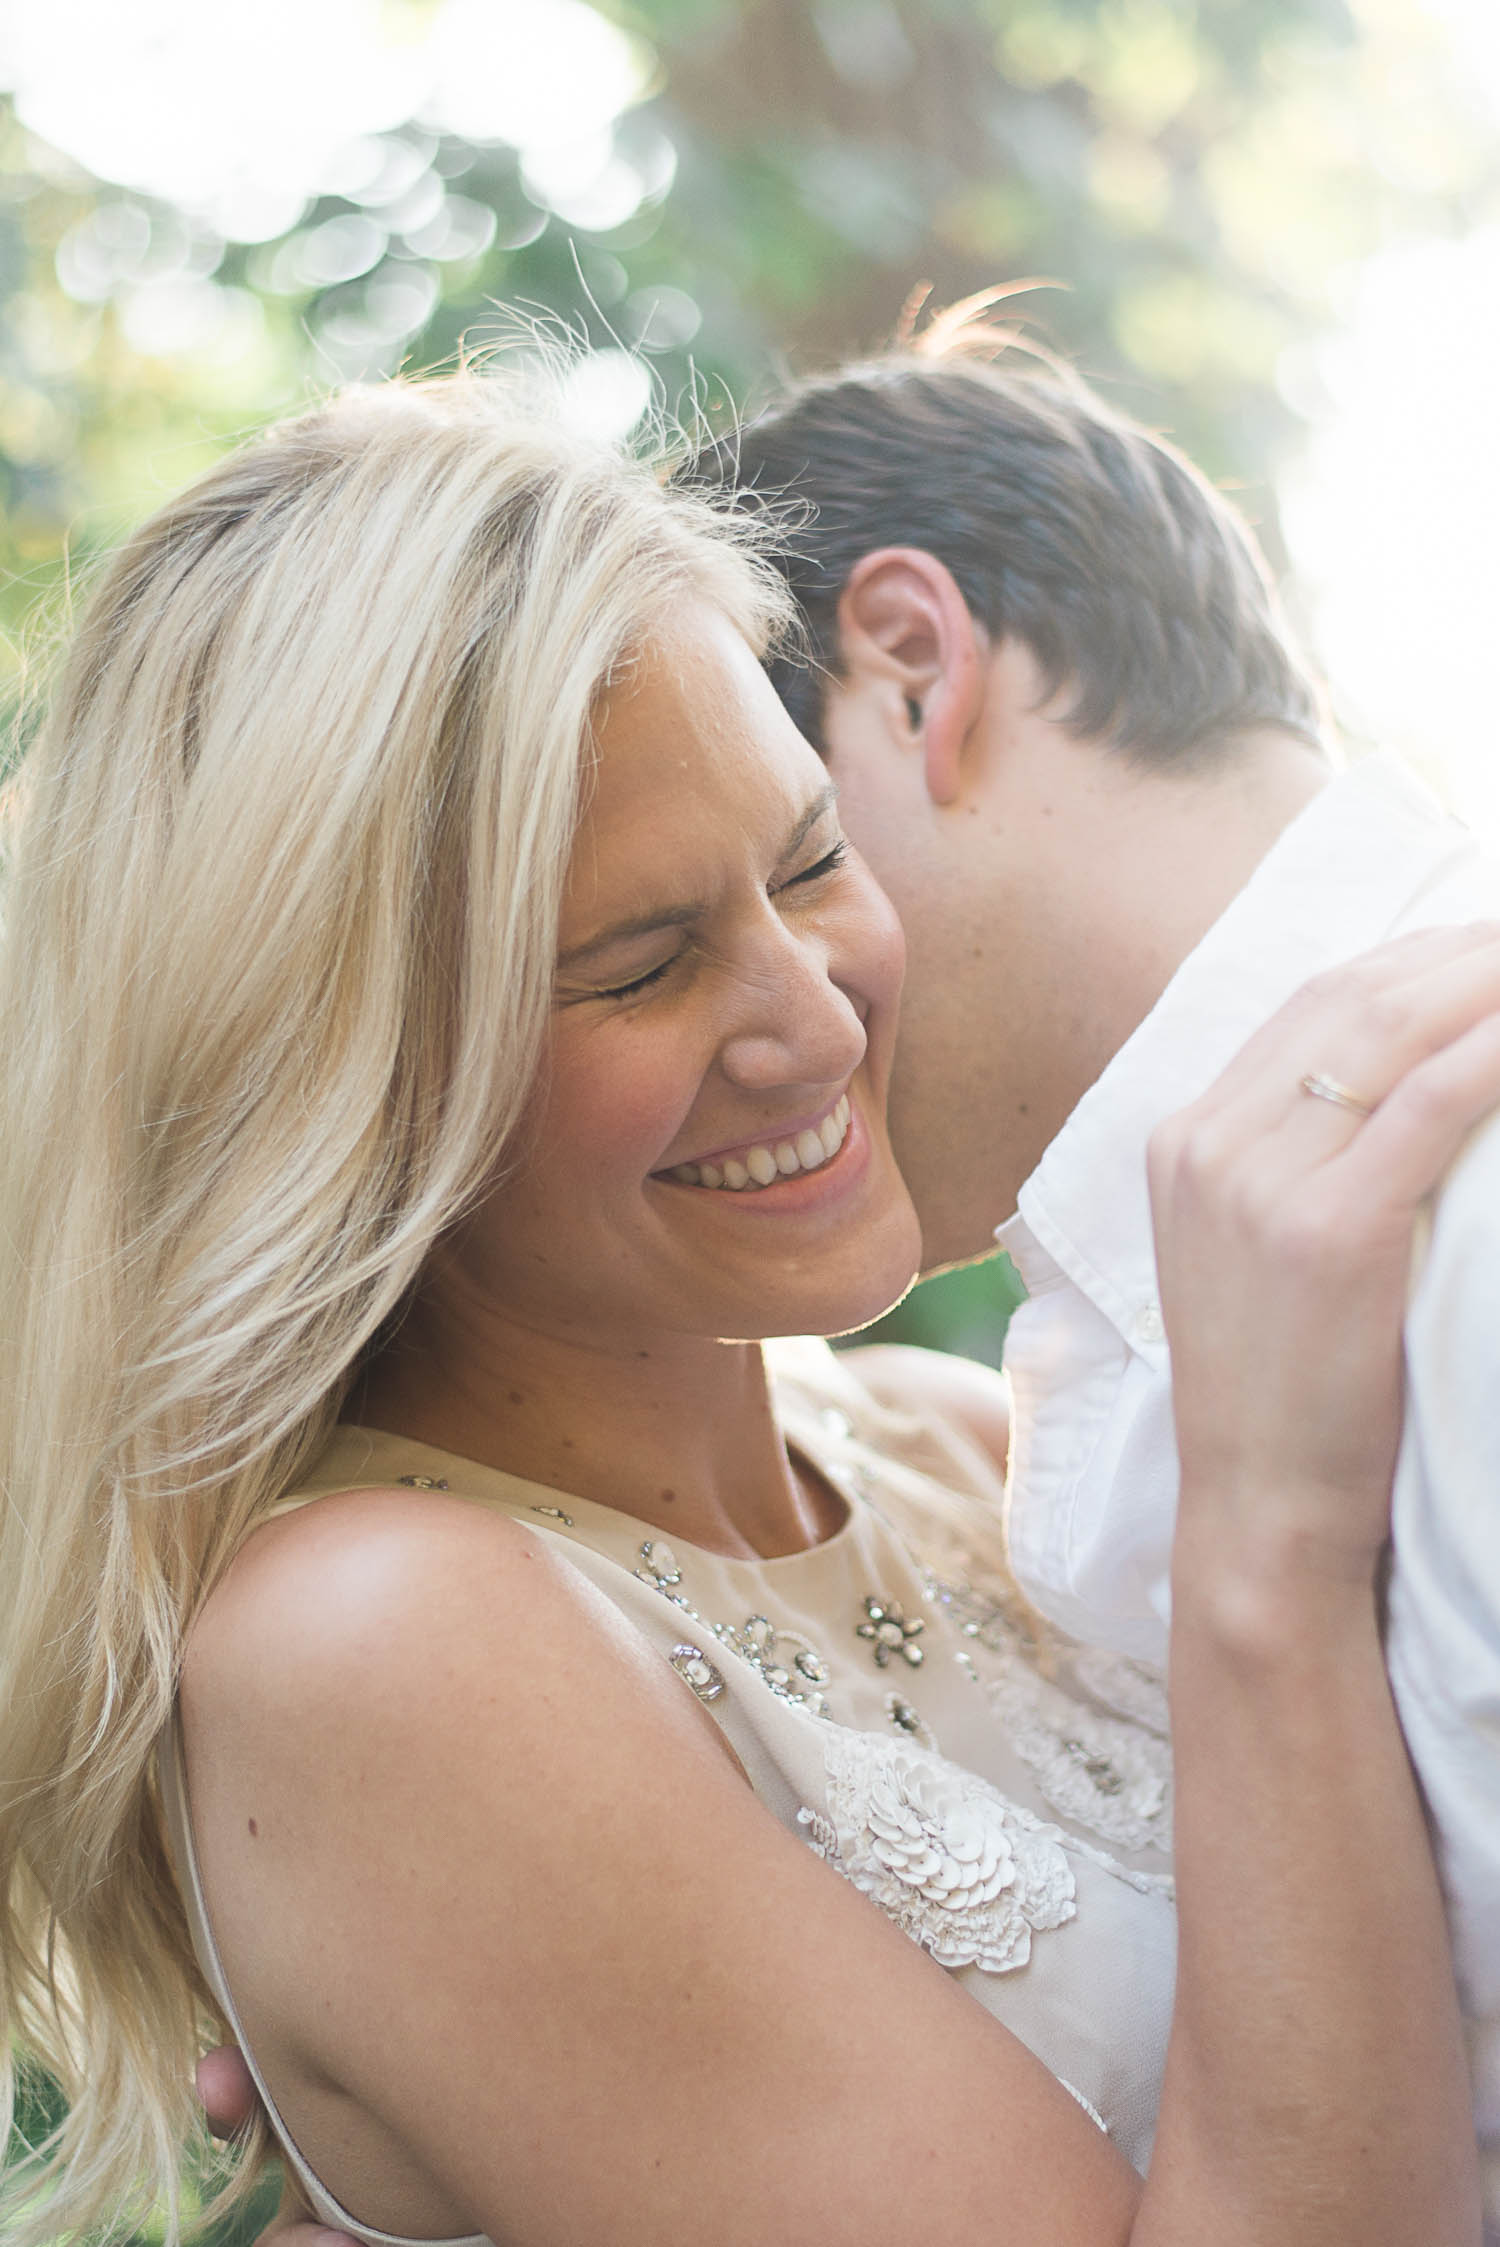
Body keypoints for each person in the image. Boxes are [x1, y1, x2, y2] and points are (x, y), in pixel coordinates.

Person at [1, 370, 1495, 2247]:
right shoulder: (378, 1643)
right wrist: (1273, 1543)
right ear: (350, 1089)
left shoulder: (957, 1453)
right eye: (640, 968)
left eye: (808, 861)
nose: (822, 1015)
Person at [684, 334, 1500, 2233]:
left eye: (766, 849)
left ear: (908, 668)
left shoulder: (1464, 1216)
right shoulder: (1071, 1360)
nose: (761, 1002)